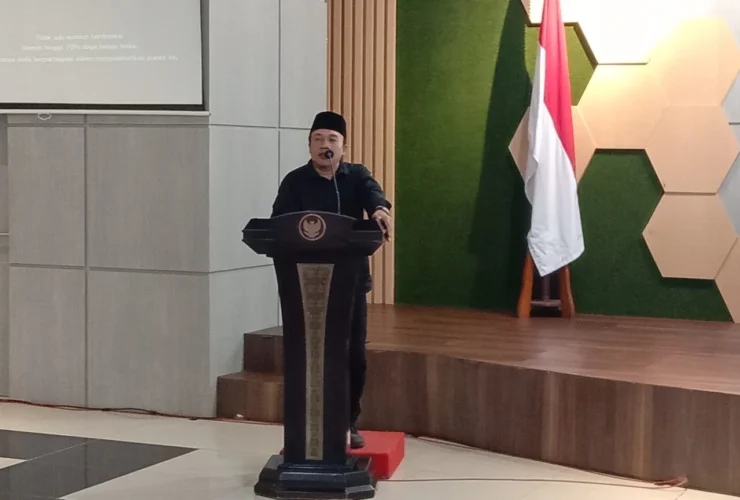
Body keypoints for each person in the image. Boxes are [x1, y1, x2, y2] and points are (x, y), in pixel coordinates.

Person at [271, 111, 392, 449]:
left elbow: (374, 195)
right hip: (305, 286)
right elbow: (277, 225)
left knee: (353, 355)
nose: (325, 145)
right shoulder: (295, 182)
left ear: (343, 146)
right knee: (308, 356)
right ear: (309, 145)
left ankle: (348, 421)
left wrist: (380, 209)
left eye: (332, 140)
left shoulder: (356, 176)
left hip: (349, 283)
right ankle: (305, 427)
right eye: (318, 139)